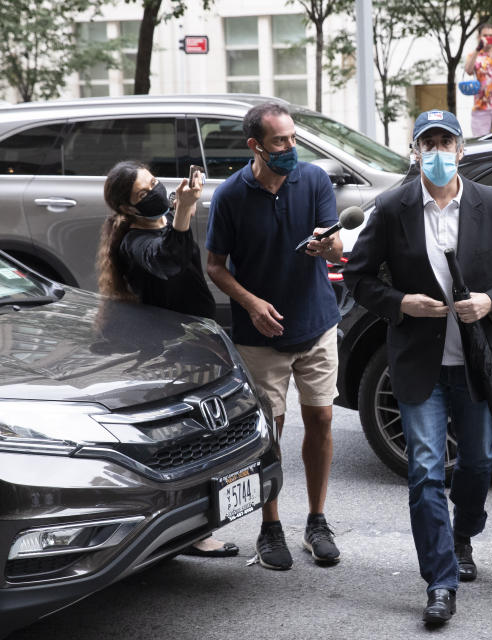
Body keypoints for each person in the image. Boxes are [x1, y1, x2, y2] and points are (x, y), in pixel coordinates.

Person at [343, 110, 492, 624]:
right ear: (415, 152)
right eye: (426, 143)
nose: (436, 152)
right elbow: (359, 277)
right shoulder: (391, 208)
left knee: (478, 462)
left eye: (445, 142)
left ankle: (463, 534)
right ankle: (439, 582)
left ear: (461, 150)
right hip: (418, 363)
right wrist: (401, 303)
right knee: (426, 471)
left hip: (477, 360)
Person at [205, 102, 342, 571]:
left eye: (292, 138)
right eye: (280, 141)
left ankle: (317, 521)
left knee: (322, 419)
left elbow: (336, 245)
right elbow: (215, 267)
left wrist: (328, 244)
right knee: (270, 431)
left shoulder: (315, 180)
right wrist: (251, 303)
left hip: (317, 322)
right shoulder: (229, 196)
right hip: (260, 334)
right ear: (255, 146)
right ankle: (270, 526)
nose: (290, 148)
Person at [97, 160, 237, 559]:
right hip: (169, 356)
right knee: (191, 441)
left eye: (154, 183)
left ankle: (194, 525)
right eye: (144, 193)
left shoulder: (159, 226)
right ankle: (191, 530)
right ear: (126, 209)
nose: (155, 192)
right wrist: (183, 211)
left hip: (197, 345)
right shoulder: (133, 243)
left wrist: (179, 212)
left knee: (207, 438)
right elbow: (168, 260)